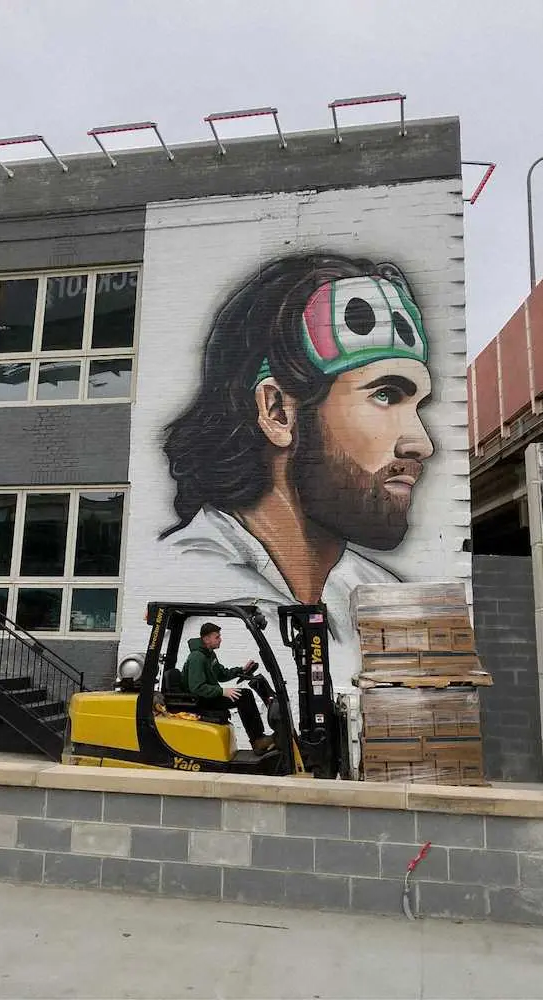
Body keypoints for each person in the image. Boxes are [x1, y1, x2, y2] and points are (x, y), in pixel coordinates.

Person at [160, 253, 434, 680]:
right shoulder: (193, 583)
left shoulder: (375, 594)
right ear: (277, 411)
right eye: (385, 395)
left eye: (417, 405)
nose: (423, 444)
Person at [182, 623, 275, 755]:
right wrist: (222, 691)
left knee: (245, 694)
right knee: (243, 696)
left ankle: (258, 738)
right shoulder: (197, 657)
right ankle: (257, 740)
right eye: (217, 637)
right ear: (206, 639)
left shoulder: (209, 654)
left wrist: (241, 670)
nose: (220, 640)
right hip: (200, 700)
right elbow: (197, 687)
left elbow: (221, 674)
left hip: (208, 696)